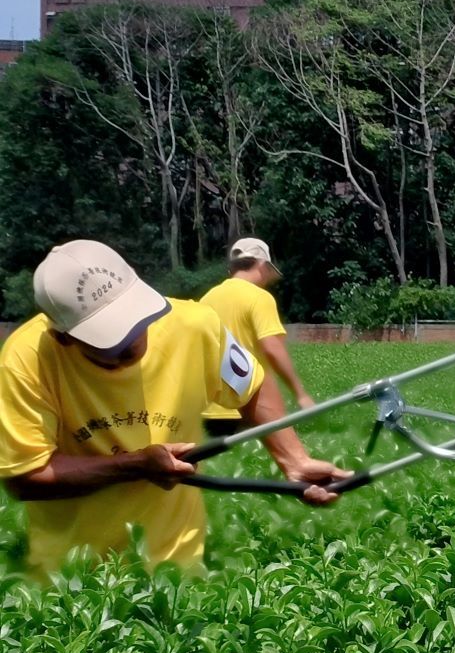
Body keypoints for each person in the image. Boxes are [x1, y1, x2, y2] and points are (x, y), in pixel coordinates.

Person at [0, 240, 348, 578]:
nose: (131, 344)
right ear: (63, 336)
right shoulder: (25, 359)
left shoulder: (194, 323)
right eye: (109, 341)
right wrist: (135, 465)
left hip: (174, 569)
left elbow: (250, 384)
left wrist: (294, 460)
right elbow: (25, 476)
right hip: (70, 576)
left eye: (134, 322)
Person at [200, 237, 315, 438]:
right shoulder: (259, 297)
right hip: (249, 408)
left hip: (208, 410)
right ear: (262, 265)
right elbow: (272, 348)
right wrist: (301, 394)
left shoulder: (206, 298)